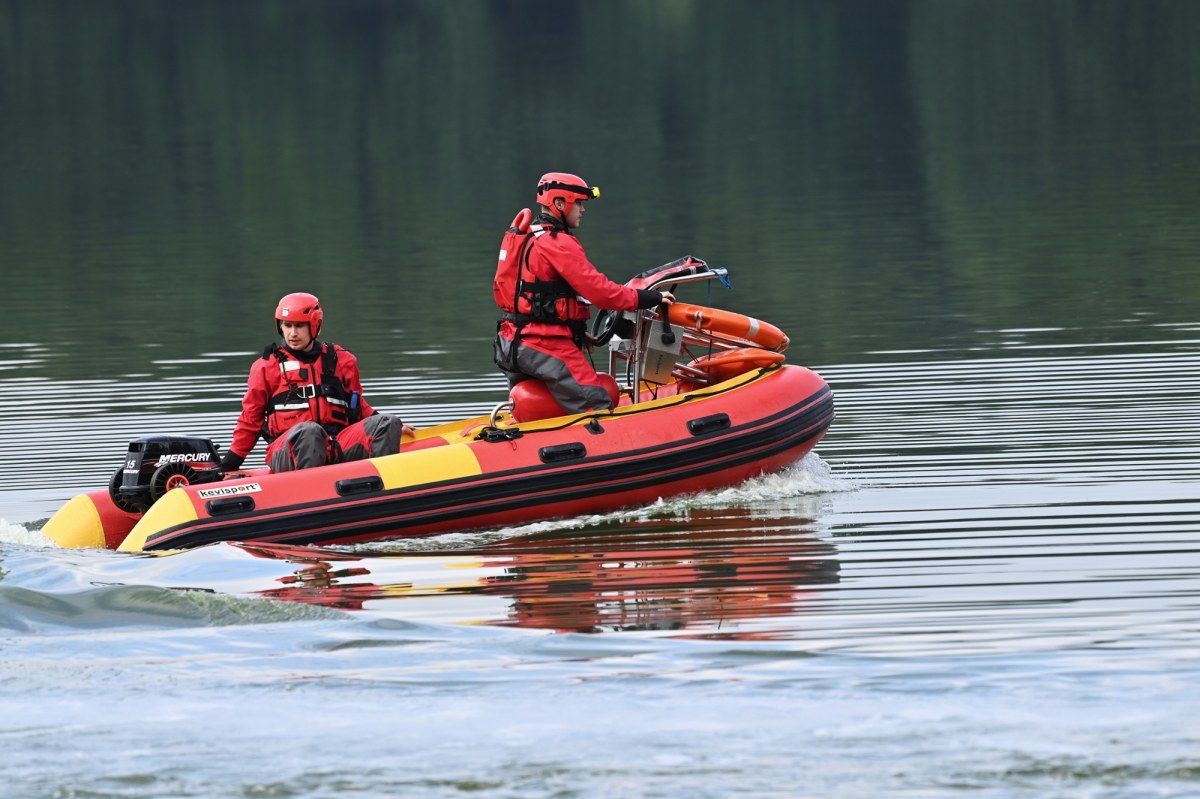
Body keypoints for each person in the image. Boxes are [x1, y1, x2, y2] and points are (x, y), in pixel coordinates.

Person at [494, 171, 674, 413]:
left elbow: (538, 300)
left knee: (535, 413)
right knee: (597, 403)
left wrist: (577, 332)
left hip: (513, 343)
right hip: (544, 345)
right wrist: (649, 297)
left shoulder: (527, 237)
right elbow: (601, 293)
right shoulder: (557, 242)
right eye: (578, 203)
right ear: (560, 203)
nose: (582, 209)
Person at [218, 292, 413, 473]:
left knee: (389, 421)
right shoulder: (265, 367)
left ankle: (385, 489)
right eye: (287, 325)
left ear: (314, 325)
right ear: (280, 326)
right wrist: (230, 463)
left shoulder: (342, 360)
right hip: (288, 449)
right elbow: (250, 419)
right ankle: (310, 496)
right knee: (310, 431)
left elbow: (357, 405)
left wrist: (391, 426)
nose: (292, 333)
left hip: (336, 444)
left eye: (299, 326)